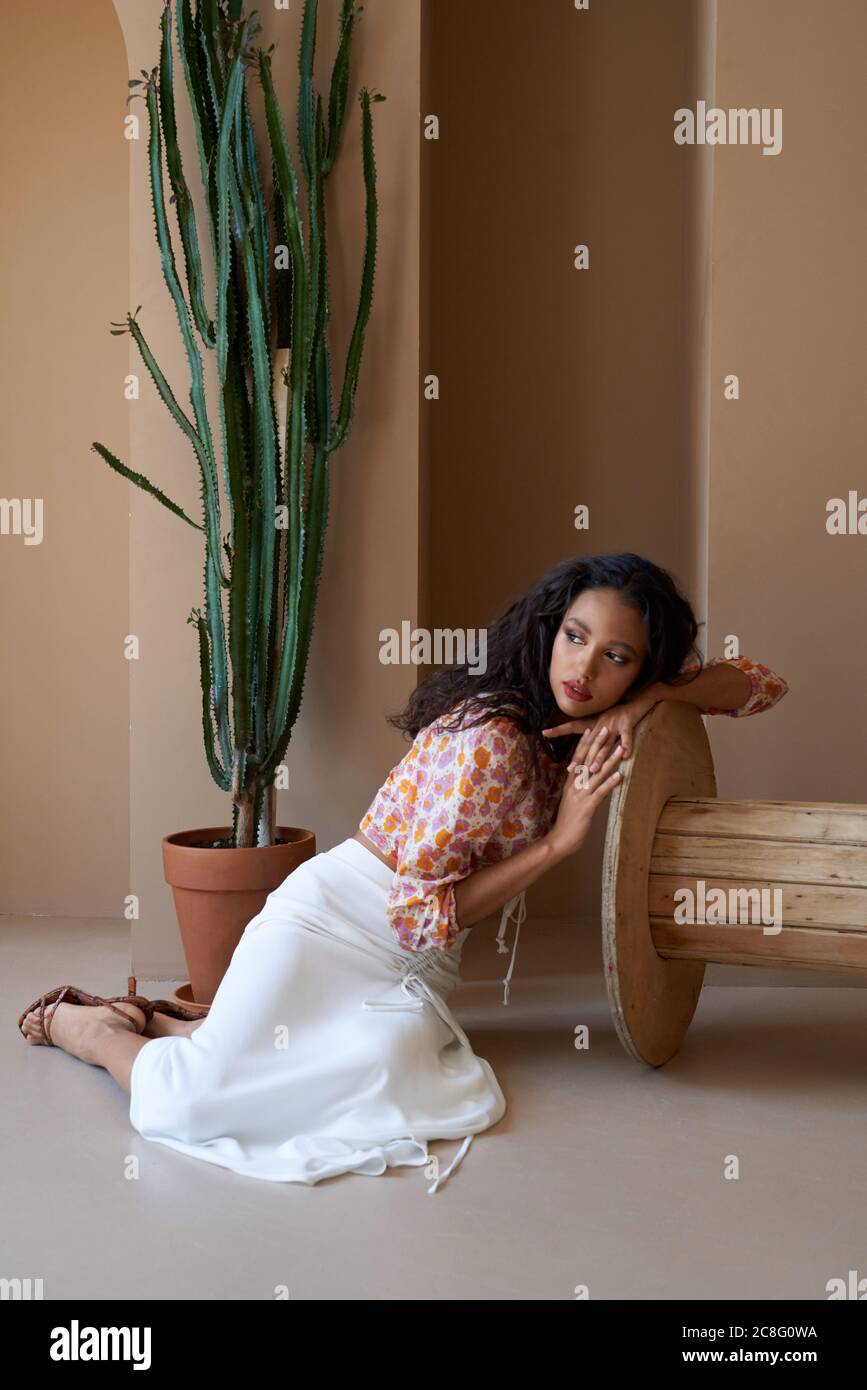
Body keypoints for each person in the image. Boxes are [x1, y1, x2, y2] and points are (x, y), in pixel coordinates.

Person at [18, 553, 788, 1192]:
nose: (582, 668)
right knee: (191, 1107)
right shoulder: (493, 737)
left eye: (615, 656)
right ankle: (83, 1026)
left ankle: (195, 1024)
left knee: (391, 1068)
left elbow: (760, 684)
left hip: (414, 957)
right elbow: (416, 915)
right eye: (574, 636)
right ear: (549, 630)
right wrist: (556, 846)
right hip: (333, 925)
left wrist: (652, 696)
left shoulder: (576, 721)